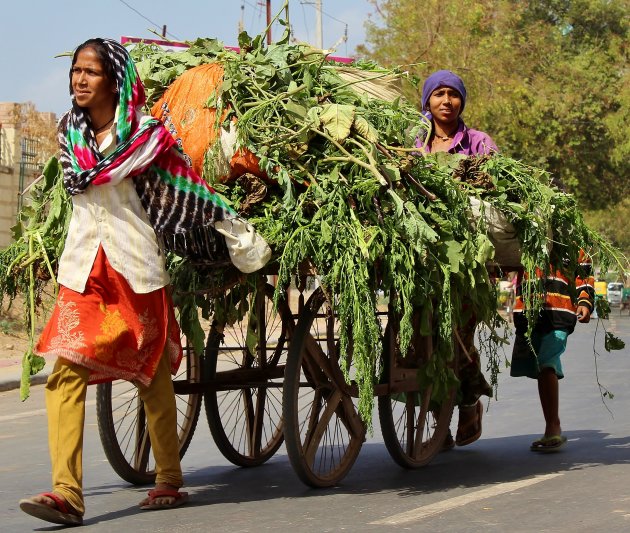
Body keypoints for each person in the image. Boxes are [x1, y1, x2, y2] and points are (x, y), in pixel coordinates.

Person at [19, 38, 269, 526]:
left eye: (91, 72)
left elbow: (185, 190)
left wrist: (230, 225)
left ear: (116, 81)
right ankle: (67, 493)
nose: (79, 80)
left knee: (151, 374)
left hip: (135, 267)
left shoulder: (149, 137)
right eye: (75, 71)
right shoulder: (69, 133)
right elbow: (81, 183)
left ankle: (169, 478)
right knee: (65, 372)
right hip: (83, 269)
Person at [416, 70, 497, 449]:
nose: (446, 101)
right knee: (420, 336)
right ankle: (437, 421)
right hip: (421, 256)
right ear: (427, 102)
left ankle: (467, 401)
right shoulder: (414, 144)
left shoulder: (478, 142)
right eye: (439, 94)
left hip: (465, 260)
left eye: (453, 95)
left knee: (456, 334)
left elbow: (496, 188)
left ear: (462, 101)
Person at [511, 252, 594, 452]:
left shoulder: (574, 243)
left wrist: (584, 302)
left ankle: (552, 426)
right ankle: (552, 424)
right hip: (528, 312)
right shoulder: (523, 233)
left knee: (546, 363)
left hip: (560, 312)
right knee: (536, 365)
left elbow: (584, 277)